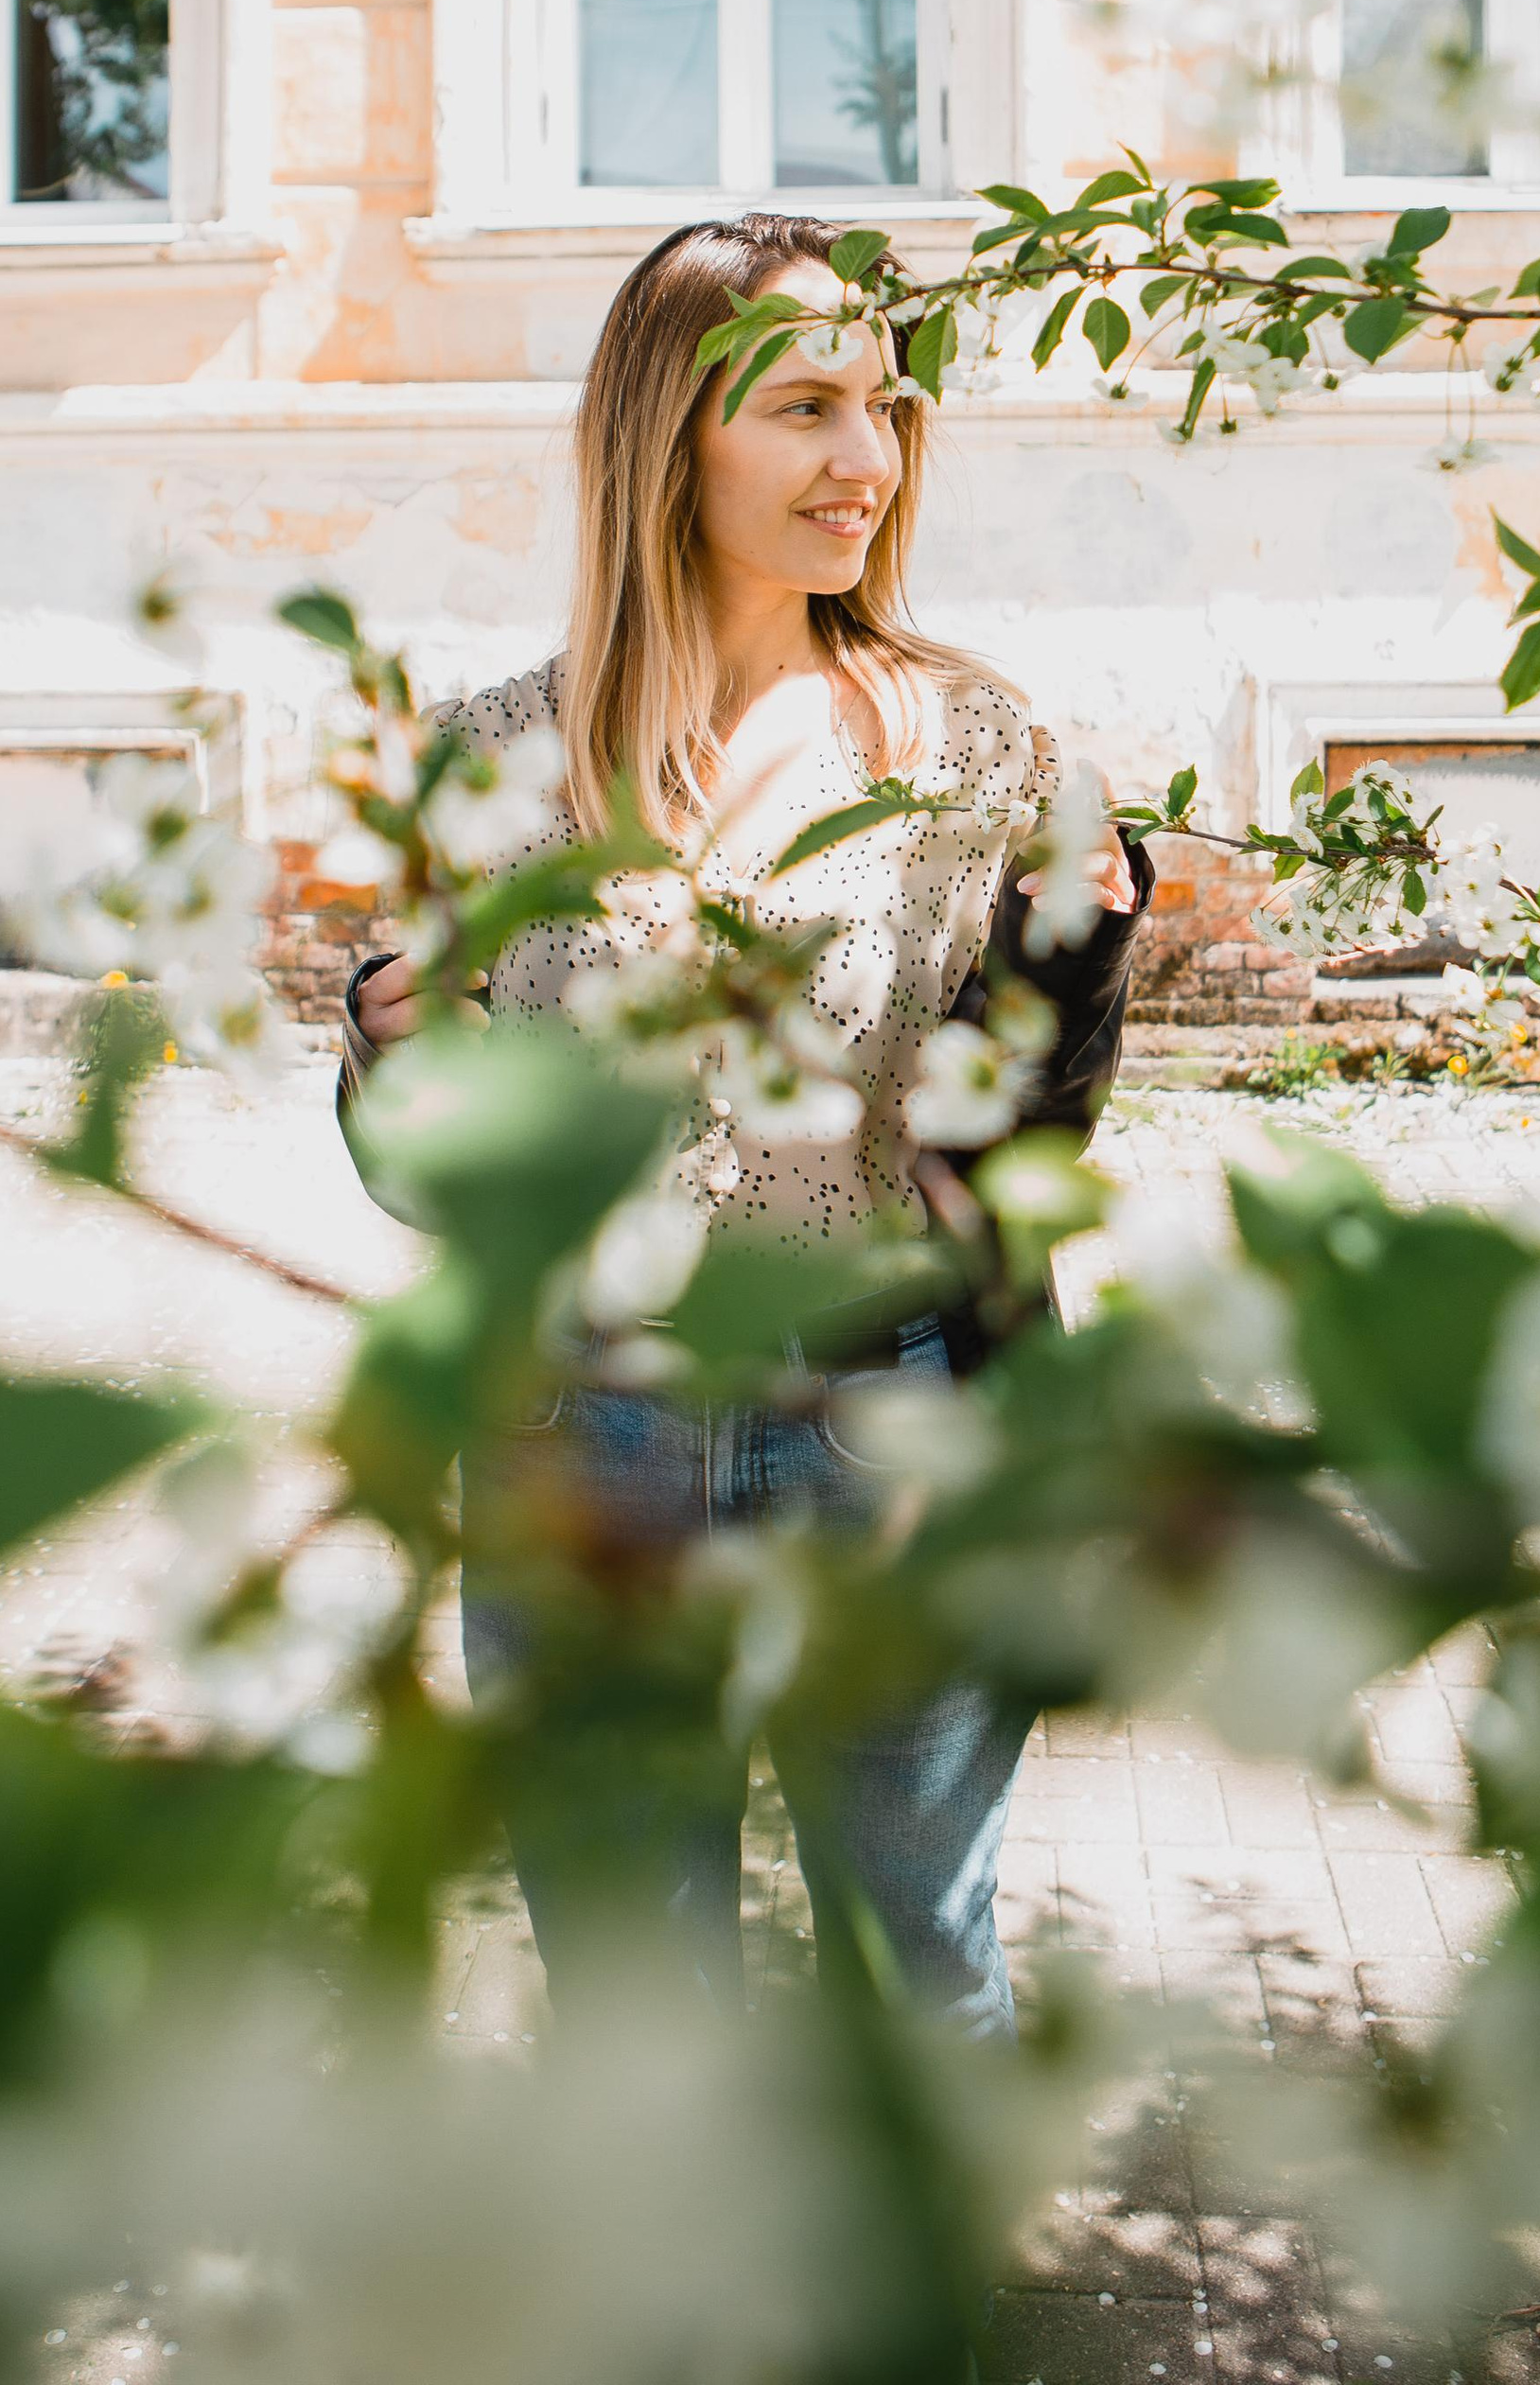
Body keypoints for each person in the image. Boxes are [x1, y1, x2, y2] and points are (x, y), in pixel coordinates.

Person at [338, 211, 1151, 2034]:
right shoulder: (497, 761)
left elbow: (1018, 1149)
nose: (863, 461)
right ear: (667, 437)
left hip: (883, 1427)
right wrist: (387, 1065)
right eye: (804, 407)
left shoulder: (972, 748)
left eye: (883, 407)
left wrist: (1073, 967)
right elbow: (433, 1186)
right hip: (579, 1447)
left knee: (924, 1974)